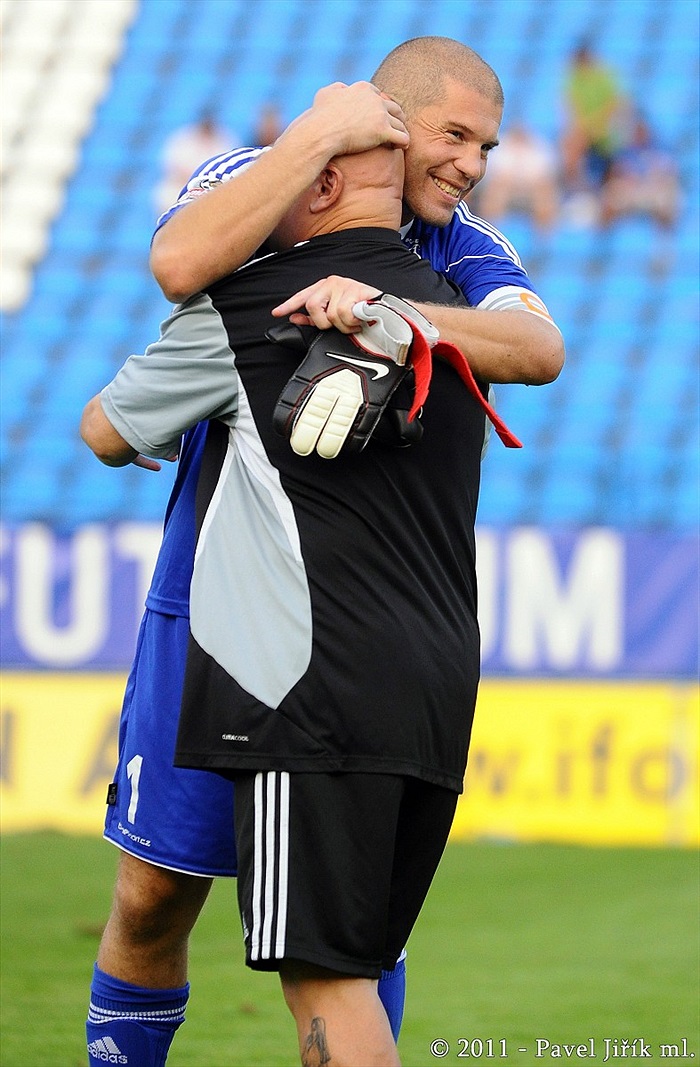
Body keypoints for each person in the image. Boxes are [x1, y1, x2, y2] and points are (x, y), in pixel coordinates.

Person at [85, 36, 564, 1067]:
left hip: (349, 620)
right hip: (215, 585)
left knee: (345, 925)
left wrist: (389, 311)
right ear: (381, 124)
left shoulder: (460, 244)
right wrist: (309, 141)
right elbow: (177, 265)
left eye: (484, 143)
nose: (471, 164)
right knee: (154, 889)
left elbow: (536, 348)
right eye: (454, 136)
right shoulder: (260, 176)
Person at [560, 40, 627, 193]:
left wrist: (593, 126)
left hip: (606, 132)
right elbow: (570, 109)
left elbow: (615, 105)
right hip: (586, 132)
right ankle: (575, 188)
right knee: (570, 142)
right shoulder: (573, 80)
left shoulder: (604, 77)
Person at [599, 113, 680, 230]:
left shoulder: (659, 150)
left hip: (652, 191)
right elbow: (615, 173)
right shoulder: (625, 152)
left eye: (642, 130)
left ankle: (665, 240)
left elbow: (669, 173)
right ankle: (605, 239)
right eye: (637, 130)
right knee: (611, 192)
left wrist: (653, 180)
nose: (640, 133)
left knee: (669, 196)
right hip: (631, 191)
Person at [475, 121, 560, 230]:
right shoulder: (501, 145)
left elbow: (545, 176)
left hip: (530, 191)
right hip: (506, 189)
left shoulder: (540, 147)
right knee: (497, 189)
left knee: (544, 191)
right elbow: (494, 174)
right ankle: (489, 229)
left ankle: (544, 239)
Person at [154, 109, 239, 216]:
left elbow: (229, 168)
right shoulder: (183, 138)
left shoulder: (224, 138)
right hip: (178, 187)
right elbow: (171, 165)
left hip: (210, 191)